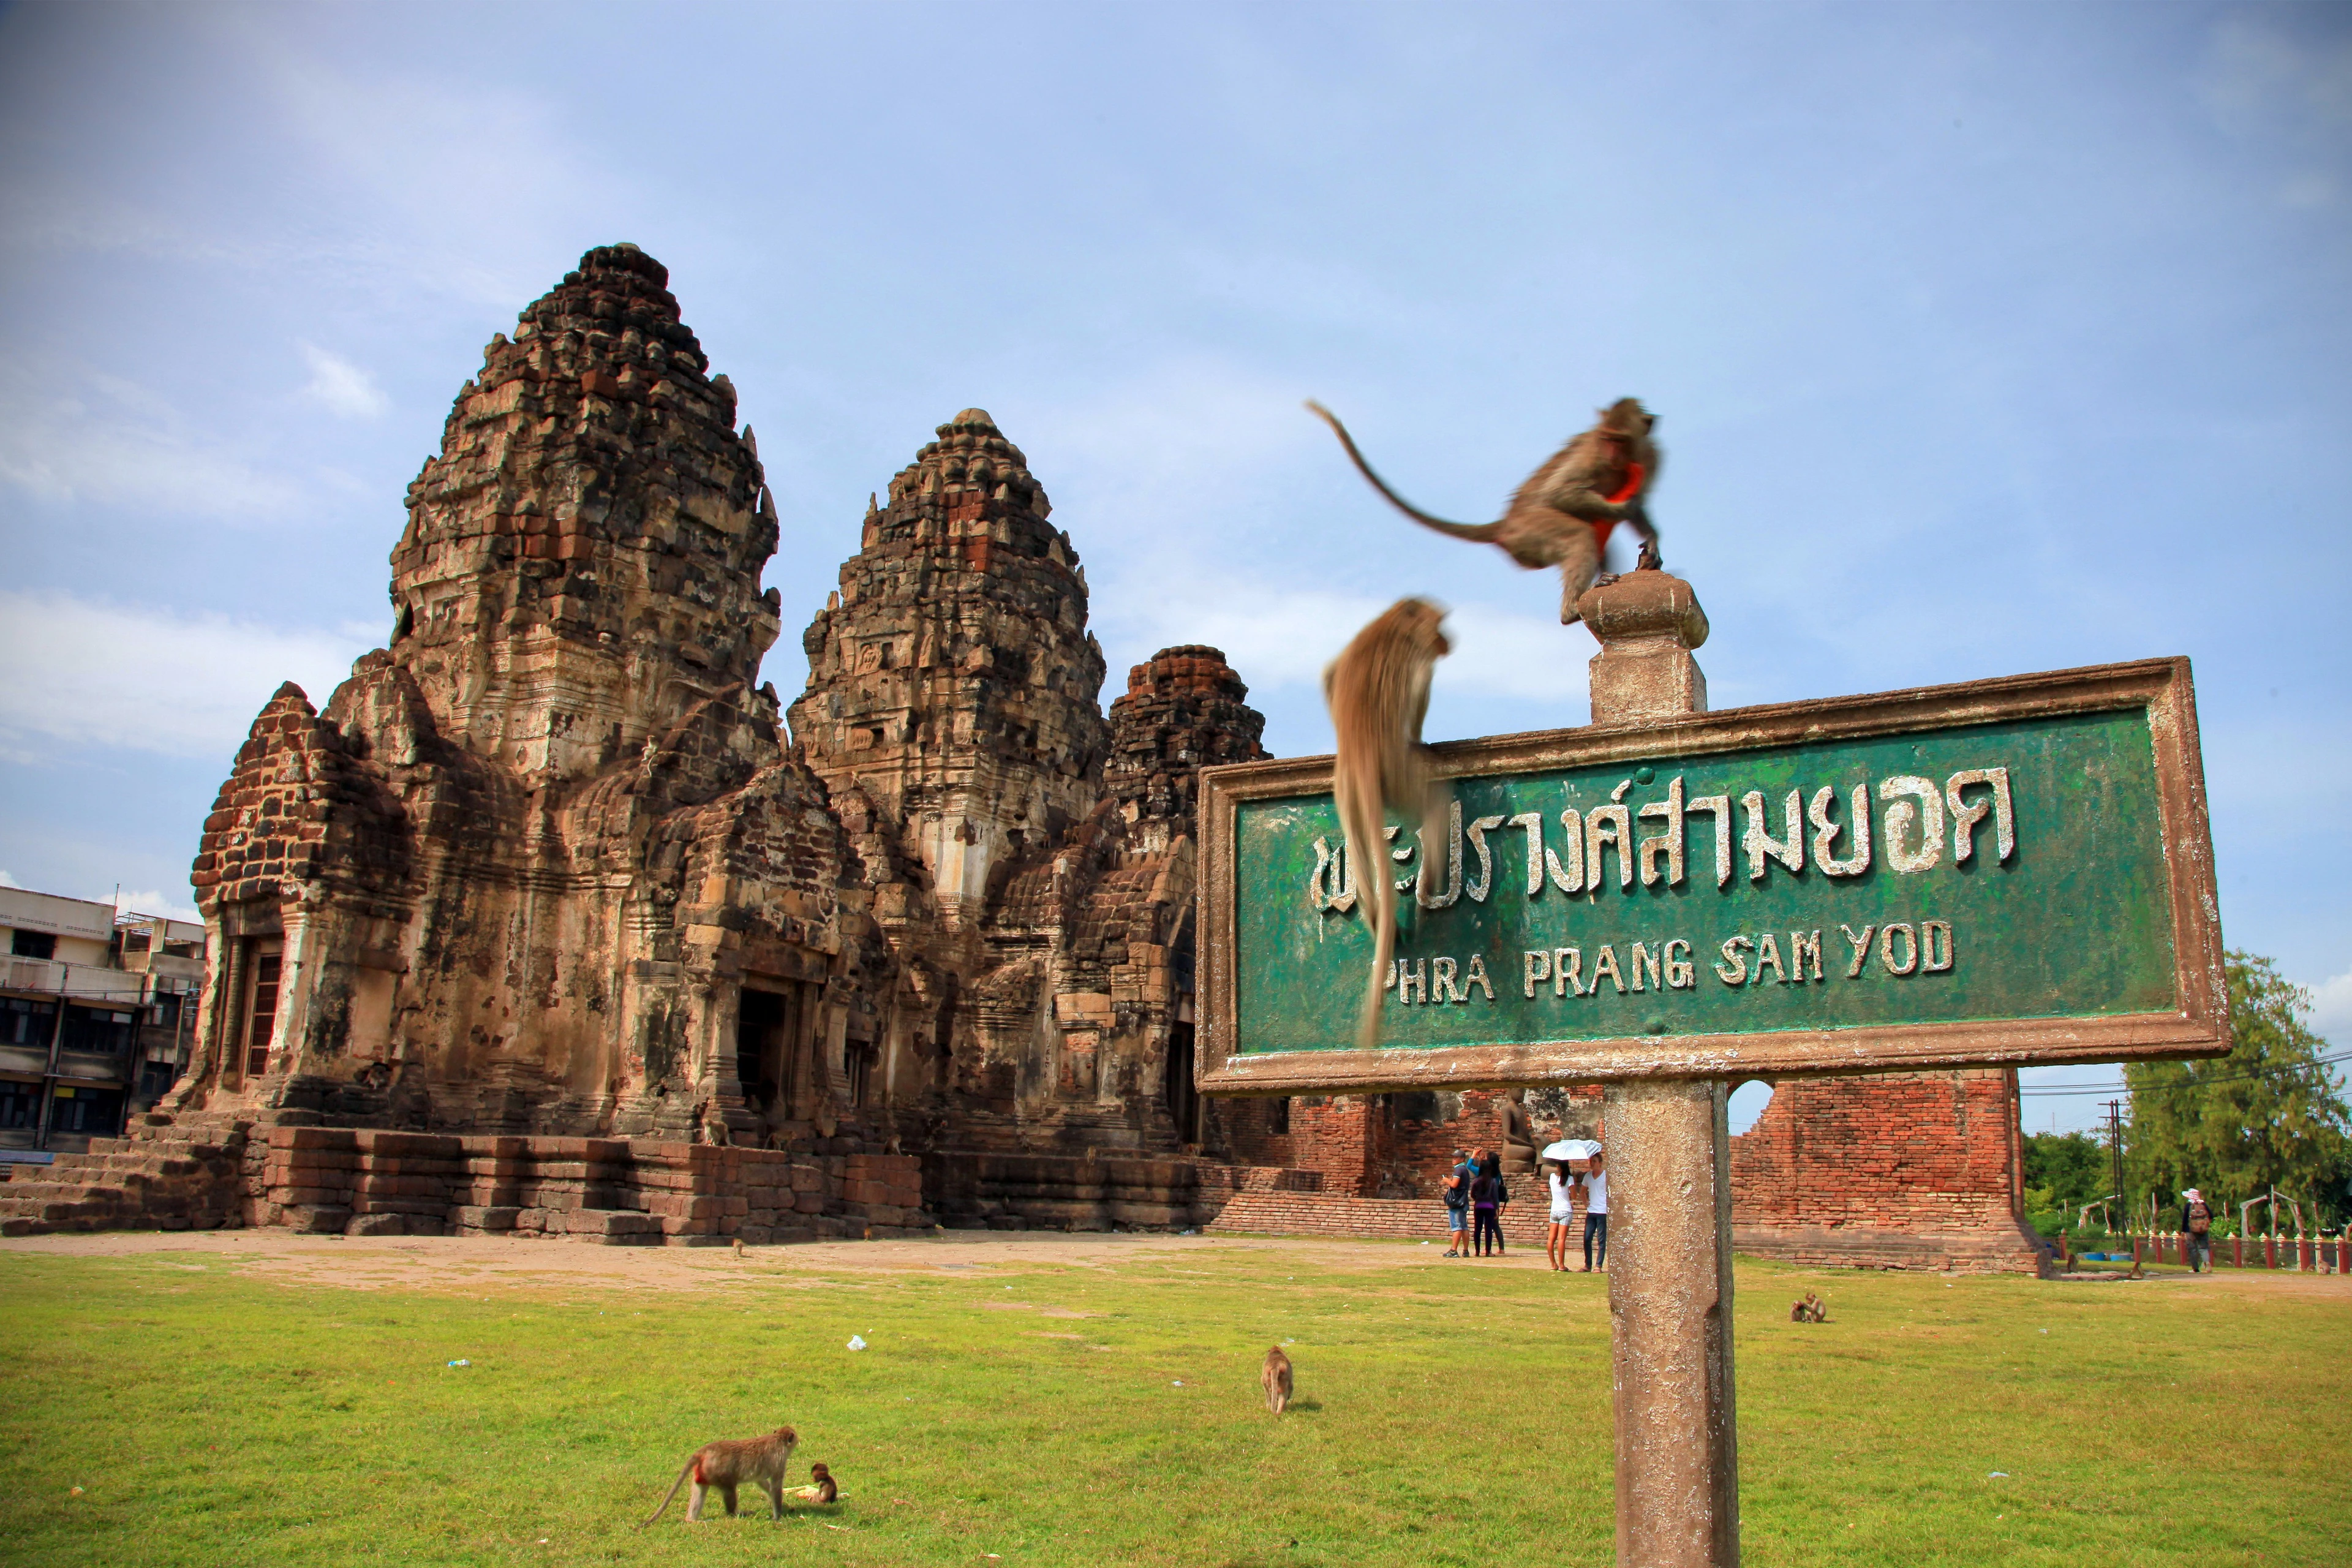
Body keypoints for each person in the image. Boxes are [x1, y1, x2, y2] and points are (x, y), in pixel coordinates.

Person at [1472, 1149, 1509, 1257]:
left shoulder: (1476, 1181)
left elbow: (1473, 1194)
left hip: (1479, 1206)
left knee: (1477, 1229)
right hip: (1490, 1207)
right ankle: (1488, 1251)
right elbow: (1494, 1196)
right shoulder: (1493, 1180)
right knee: (1489, 1229)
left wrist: (1478, 1199)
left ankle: (1477, 1251)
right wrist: (1496, 1209)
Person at [1441, 1148, 1474, 1257]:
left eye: (1456, 1157)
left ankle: (1454, 1251)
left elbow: (1454, 1184)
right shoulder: (1464, 1169)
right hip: (1463, 1201)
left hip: (1457, 1202)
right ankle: (1465, 1250)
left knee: (1457, 1227)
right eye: (1453, 1157)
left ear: (1462, 1159)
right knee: (1464, 1227)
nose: (1454, 1159)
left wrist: (1446, 1180)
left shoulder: (1459, 1170)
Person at [1546, 1155, 1576, 1271]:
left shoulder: (1552, 1177)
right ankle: (1562, 1265)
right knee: (1562, 1238)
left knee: (1551, 1238)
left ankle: (1553, 1264)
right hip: (1565, 1210)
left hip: (1554, 1210)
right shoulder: (1569, 1179)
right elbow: (1574, 1196)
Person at [1579, 1149, 1608, 1272]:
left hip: (1603, 1211)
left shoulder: (1606, 1176)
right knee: (1587, 1238)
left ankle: (1599, 1265)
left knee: (1601, 1239)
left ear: (1600, 1163)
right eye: (1591, 1161)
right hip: (1592, 1212)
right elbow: (1582, 1191)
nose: (1592, 1164)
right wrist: (1585, 1202)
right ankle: (1588, 1265)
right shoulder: (1588, 1176)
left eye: (1595, 1161)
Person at [2180, 1186, 2215, 1273]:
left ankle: (2195, 1269)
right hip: (2203, 1229)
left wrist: (2184, 1231)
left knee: (2192, 1249)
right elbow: (2211, 1215)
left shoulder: (2188, 1206)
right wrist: (2204, 1223)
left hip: (2190, 1231)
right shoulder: (2203, 1204)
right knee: (2204, 1248)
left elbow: (2185, 1220)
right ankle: (2207, 1262)